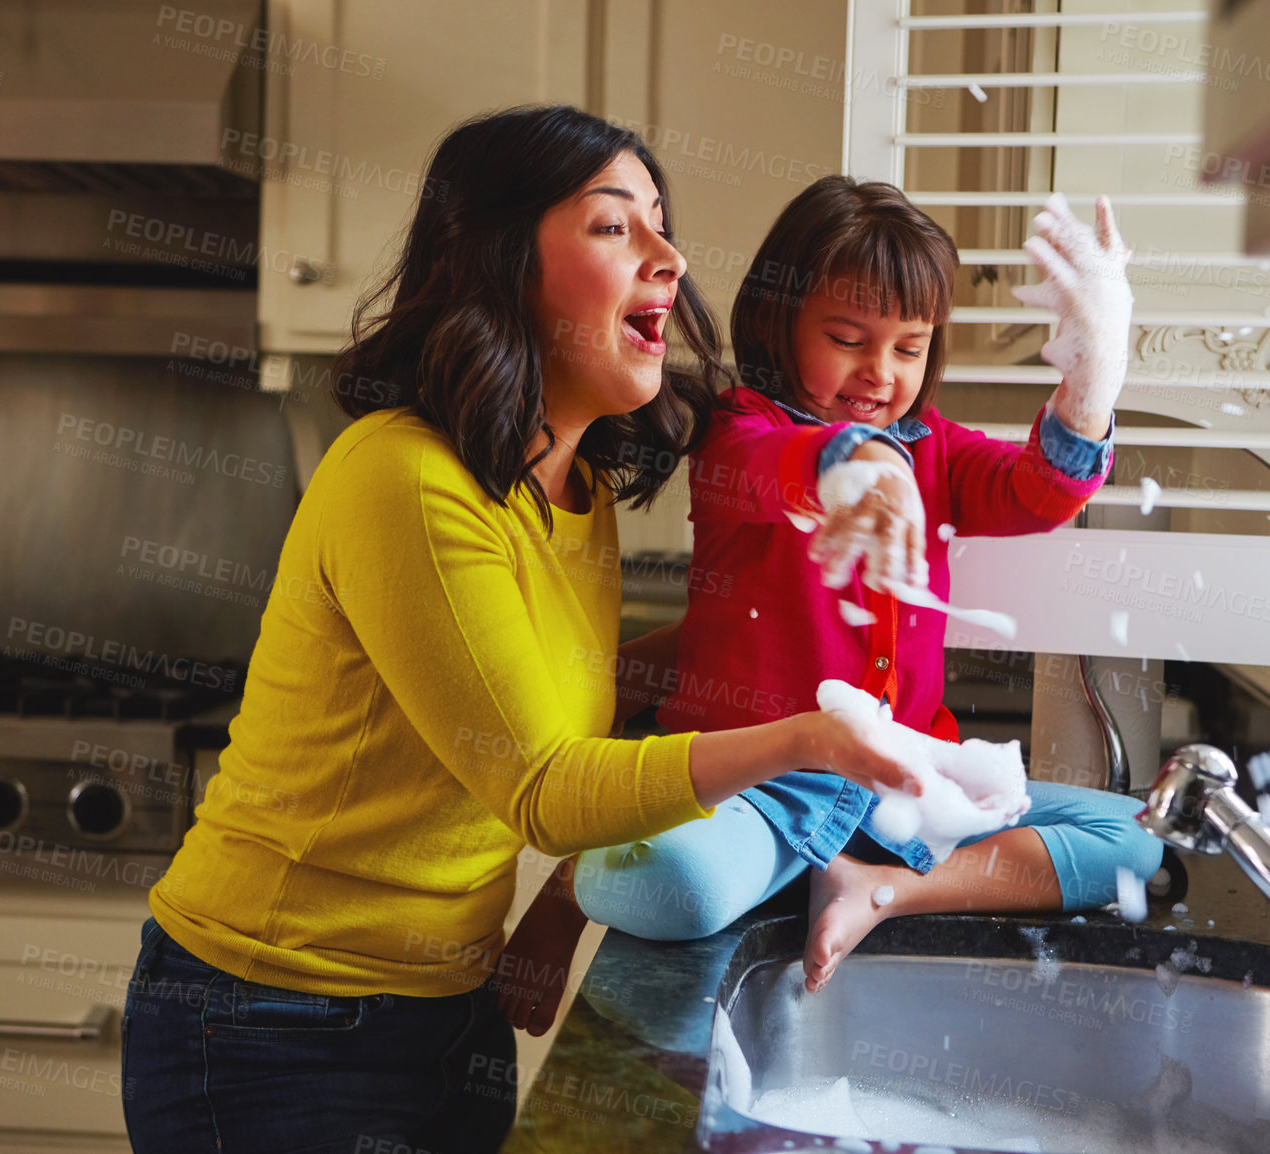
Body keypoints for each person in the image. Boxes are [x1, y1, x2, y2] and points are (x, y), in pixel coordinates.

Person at [120, 108, 927, 1154]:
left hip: (445, 998)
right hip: (269, 1015)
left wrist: (784, 639)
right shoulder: (403, 477)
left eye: (661, 223)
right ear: (499, 263)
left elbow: (573, 688)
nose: (670, 257)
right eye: (613, 226)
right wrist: (805, 736)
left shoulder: (571, 487)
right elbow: (542, 781)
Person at [497, 178, 1165, 1037]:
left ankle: (880, 890)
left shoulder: (938, 449)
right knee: (669, 886)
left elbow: (1040, 494)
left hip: (906, 781)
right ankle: (578, 877)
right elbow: (779, 468)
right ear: (781, 326)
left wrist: (1091, 378)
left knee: (1137, 845)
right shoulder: (736, 431)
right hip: (760, 788)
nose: (879, 374)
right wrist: (853, 466)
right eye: (848, 340)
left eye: (909, 348)